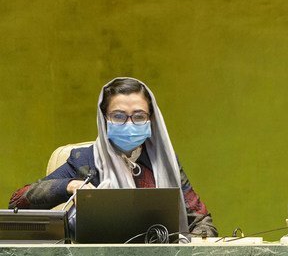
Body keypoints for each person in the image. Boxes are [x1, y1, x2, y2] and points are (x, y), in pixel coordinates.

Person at [9, 77, 217, 237]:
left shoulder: (165, 163)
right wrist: (70, 186)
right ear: (104, 118)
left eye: (138, 116)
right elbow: (18, 201)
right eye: (118, 116)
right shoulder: (84, 161)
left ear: (151, 119)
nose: (129, 123)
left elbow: (201, 221)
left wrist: (189, 247)